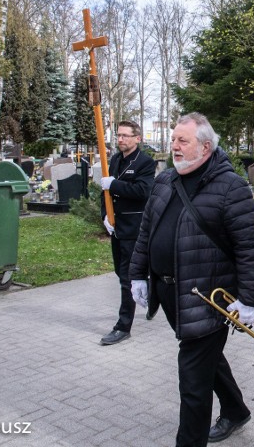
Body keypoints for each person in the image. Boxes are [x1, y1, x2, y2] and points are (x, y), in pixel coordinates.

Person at [129, 112, 254, 446]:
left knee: (193, 380)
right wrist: (138, 274)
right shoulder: (166, 180)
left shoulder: (230, 187)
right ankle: (236, 411)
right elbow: (147, 231)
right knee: (206, 358)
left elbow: (250, 249)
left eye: (182, 140)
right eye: (173, 139)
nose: (173, 146)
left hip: (209, 298)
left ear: (204, 147)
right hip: (170, 295)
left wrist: (249, 300)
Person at [99, 120, 156, 345]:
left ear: (137, 138)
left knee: (127, 278)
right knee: (120, 272)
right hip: (117, 229)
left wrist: (114, 185)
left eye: (125, 135)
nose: (120, 139)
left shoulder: (145, 162)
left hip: (134, 229)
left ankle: (123, 326)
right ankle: (151, 293)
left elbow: (143, 191)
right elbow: (105, 194)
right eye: (118, 135)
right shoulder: (114, 160)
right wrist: (105, 215)